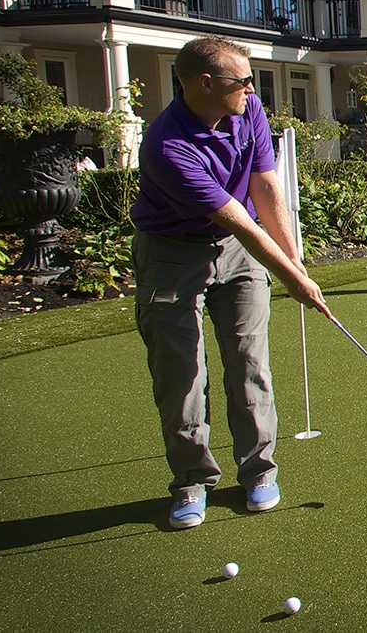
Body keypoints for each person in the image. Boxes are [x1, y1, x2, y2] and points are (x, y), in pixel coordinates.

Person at [131, 36, 331, 530]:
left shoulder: (250, 110)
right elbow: (239, 217)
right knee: (181, 375)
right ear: (204, 83)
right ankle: (191, 480)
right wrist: (292, 279)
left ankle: (259, 471)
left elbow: (265, 188)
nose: (250, 87)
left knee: (249, 362)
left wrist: (295, 263)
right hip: (172, 256)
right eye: (240, 80)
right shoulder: (166, 146)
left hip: (239, 255)